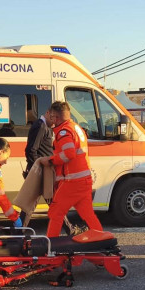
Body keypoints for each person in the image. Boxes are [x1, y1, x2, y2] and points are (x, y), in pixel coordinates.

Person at [37, 101, 104, 238]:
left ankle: (51, 246)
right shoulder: (75, 128)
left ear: (56, 117)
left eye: (52, 116)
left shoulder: (63, 132)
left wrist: (49, 161)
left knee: (56, 213)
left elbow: (69, 154)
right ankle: (101, 241)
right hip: (83, 180)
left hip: (72, 182)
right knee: (87, 214)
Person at [25, 109, 54, 176]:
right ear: (48, 113)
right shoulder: (41, 126)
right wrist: (38, 167)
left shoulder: (43, 125)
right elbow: (31, 150)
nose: (54, 122)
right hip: (41, 170)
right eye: (53, 118)